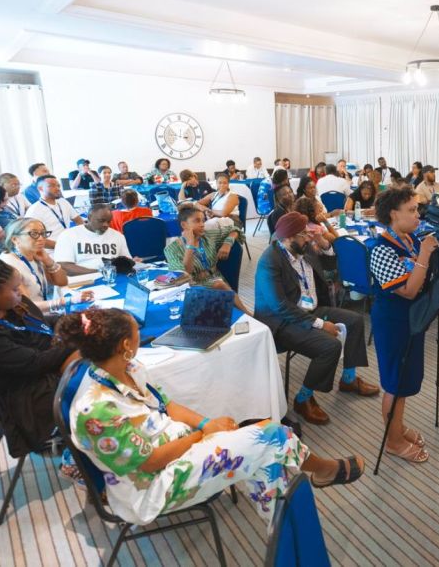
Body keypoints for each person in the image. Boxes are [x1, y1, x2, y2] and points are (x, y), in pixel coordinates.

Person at [60, 309, 364, 528]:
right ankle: (322, 472)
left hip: (179, 450)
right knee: (274, 436)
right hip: (151, 488)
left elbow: (167, 405)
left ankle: (286, 531)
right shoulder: (96, 411)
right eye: (136, 332)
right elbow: (149, 463)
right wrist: (203, 435)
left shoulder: (128, 370)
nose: (140, 336)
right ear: (125, 345)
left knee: (267, 456)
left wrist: (208, 425)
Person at [253, 212, 379, 425]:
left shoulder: (304, 248)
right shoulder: (270, 261)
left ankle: (348, 379)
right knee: (329, 346)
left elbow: (330, 267)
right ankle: (303, 399)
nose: (309, 237)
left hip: (310, 309)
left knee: (355, 321)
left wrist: (325, 244)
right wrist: (320, 324)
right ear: (288, 238)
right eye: (304, 234)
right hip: (282, 321)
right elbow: (279, 306)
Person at [0, 255, 79, 458]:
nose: (20, 292)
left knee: (88, 355)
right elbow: (34, 363)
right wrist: (76, 342)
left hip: (39, 372)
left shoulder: (8, 308)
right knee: (90, 361)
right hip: (30, 397)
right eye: (14, 289)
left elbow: (41, 324)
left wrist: (74, 322)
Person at [369, 186, 439, 463]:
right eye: (411, 210)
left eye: (417, 209)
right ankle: (393, 441)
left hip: (410, 320)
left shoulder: (409, 239)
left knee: (406, 379)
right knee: (395, 384)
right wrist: (425, 254)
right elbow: (408, 291)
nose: (417, 215)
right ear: (393, 214)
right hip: (392, 323)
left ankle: (397, 427)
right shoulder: (381, 250)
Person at [164, 206, 250, 313]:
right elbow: (184, 274)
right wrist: (190, 245)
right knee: (219, 285)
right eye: (197, 221)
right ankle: (248, 314)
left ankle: (246, 315)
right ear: (184, 225)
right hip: (192, 285)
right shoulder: (171, 249)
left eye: (203, 220)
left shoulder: (208, 236)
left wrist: (227, 244)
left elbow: (235, 229)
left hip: (216, 277)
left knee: (219, 285)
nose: (202, 224)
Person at [0, 218, 91, 313]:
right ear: (15, 239)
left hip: (43, 311)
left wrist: (48, 261)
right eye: (34, 234)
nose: (41, 238)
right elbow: (26, 306)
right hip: (29, 317)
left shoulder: (34, 254)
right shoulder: (8, 263)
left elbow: (61, 282)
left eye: (43, 233)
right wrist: (67, 301)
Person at [54, 204, 134, 270]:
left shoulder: (118, 236)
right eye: (101, 221)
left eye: (108, 222)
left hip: (111, 279)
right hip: (81, 280)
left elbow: (127, 261)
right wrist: (98, 272)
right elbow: (63, 266)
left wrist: (132, 262)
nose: (106, 225)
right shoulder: (68, 235)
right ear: (89, 217)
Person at [25, 175, 84, 246]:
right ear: (40, 188)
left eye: (58, 186)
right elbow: (34, 238)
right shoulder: (34, 211)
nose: (57, 188)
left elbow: (78, 220)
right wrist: (61, 246)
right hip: (51, 250)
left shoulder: (63, 202)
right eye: (52, 186)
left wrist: (81, 236)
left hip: (69, 243)